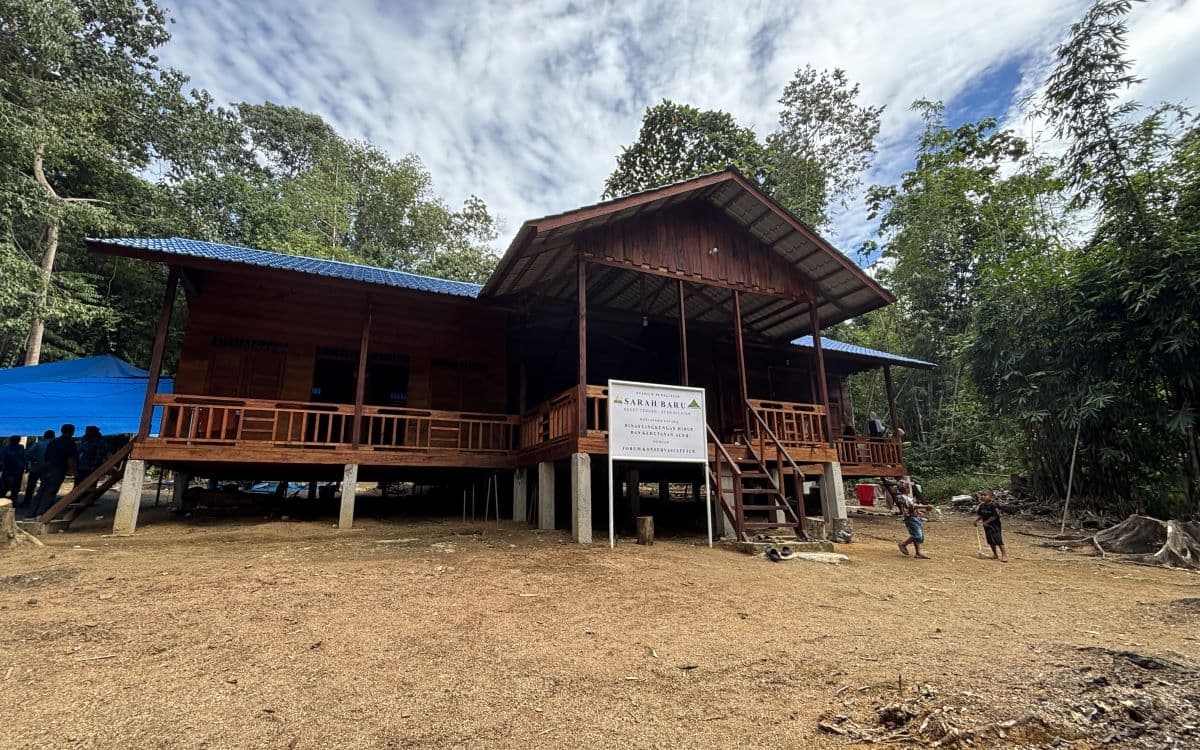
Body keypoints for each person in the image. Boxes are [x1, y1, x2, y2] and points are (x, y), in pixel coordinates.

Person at [31, 423, 76, 519]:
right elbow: (70, 458)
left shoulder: (54, 442)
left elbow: (46, 455)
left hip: (47, 467)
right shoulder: (70, 443)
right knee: (50, 491)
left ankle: (31, 513)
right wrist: (72, 470)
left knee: (42, 489)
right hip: (58, 468)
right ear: (72, 432)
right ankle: (42, 513)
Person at [896, 478, 933, 559]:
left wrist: (919, 512)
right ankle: (903, 544)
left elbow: (913, 507)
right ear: (904, 488)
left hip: (914, 518)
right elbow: (912, 506)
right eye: (908, 487)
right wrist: (925, 506)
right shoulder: (903, 497)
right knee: (917, 536)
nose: (909, 489)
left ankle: (918, 553)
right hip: (910, 519)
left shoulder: (906, 497)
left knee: (918, 535)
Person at [21, 429, 54, 509]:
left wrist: (34, 459)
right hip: (48, 468)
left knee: (31, 486)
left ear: (44, 436)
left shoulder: (38, 444)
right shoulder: (55, 444)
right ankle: (43, 503)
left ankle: (27, 502)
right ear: (53, 436)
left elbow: (27, 454)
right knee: (46, 486)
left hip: (36, 467)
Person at [975, 489, 1008, 562]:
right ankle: (995, 554)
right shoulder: (982, 506)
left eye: (985, 495)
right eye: (982, 495)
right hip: (987, 527)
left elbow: (995, 516)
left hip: (995, 526)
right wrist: (976, 521)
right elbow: (981, 515)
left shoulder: (993, 506)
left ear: (991, 497)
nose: (983, 497)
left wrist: (986, 522)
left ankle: (1004, 555)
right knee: (990, 541)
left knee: (998, 540)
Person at [1, 436, 26, 501]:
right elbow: (24, 458)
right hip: (17, 471)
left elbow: (2, 460)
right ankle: (13, 501)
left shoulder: (6, 448)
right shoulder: (21, 448)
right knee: (15, 488)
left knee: (4, 487)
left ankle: (3, 500)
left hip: (9, 471)